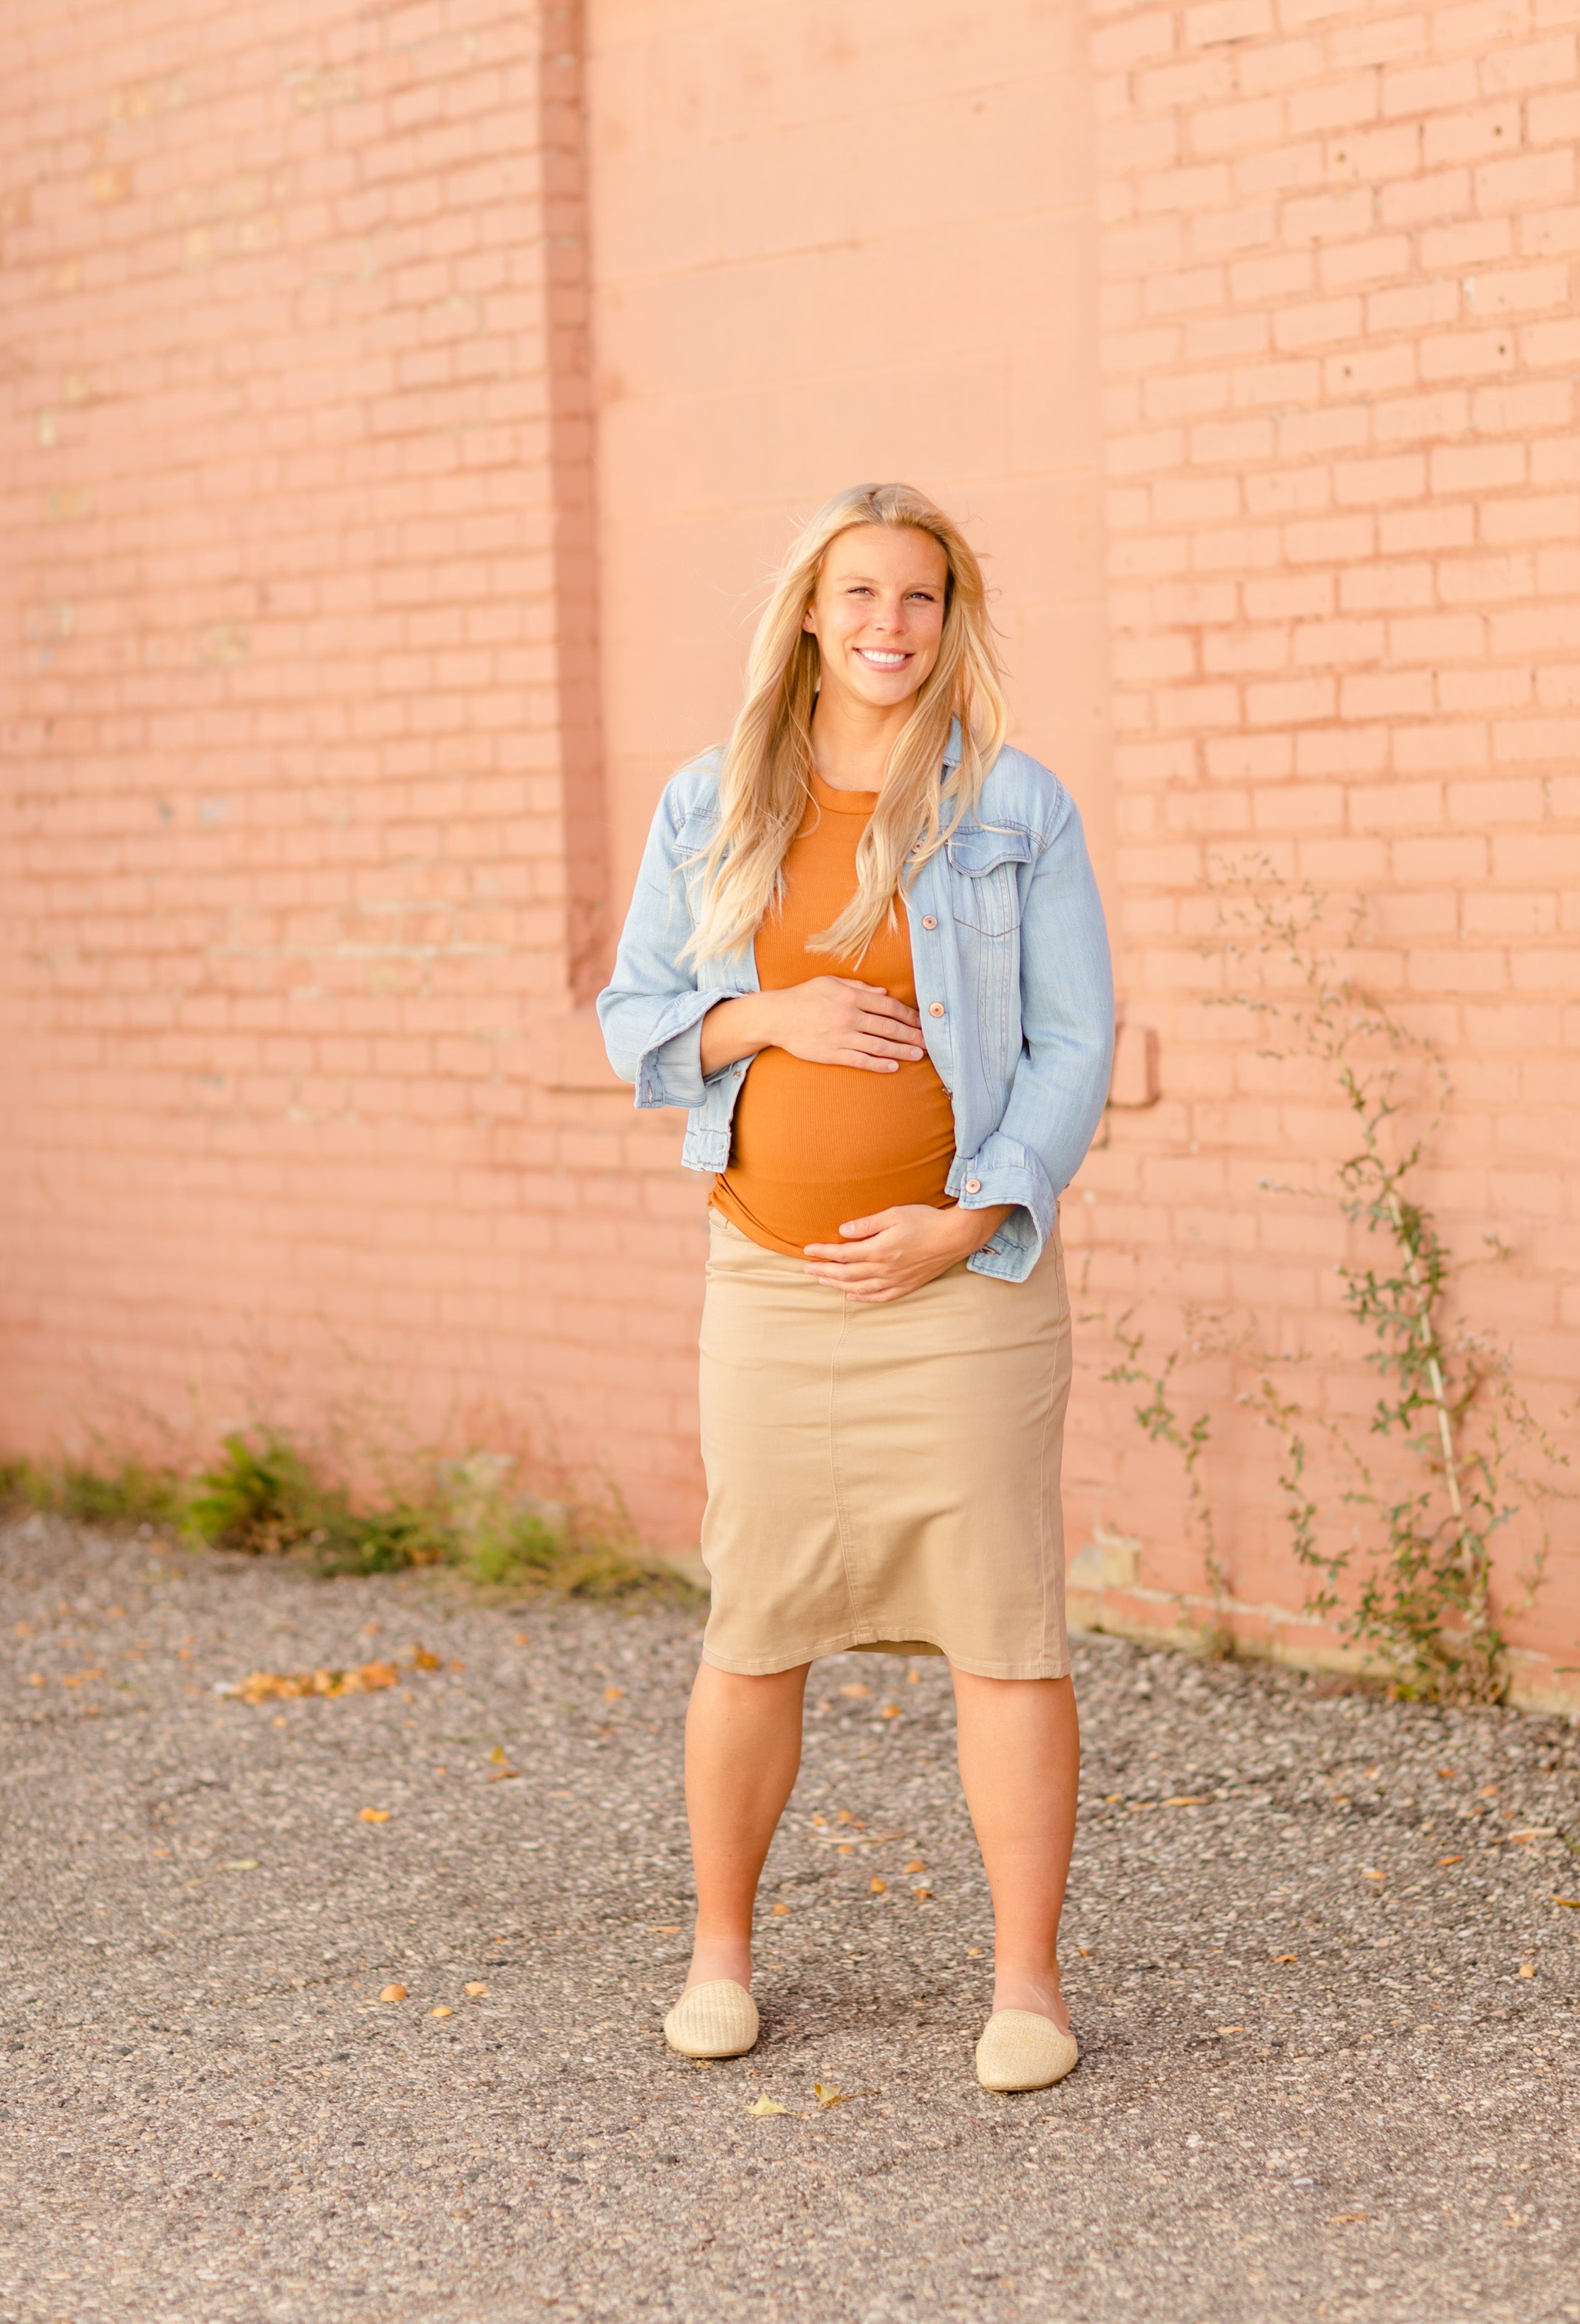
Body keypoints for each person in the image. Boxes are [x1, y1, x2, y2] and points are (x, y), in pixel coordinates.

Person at [597, 481, 1114, 2092]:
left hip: (960, 1292)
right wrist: (770, 1019)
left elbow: (1070, 1041)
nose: (889, 625)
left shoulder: (1014, 806)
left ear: (951, 621)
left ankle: (1022, 1985)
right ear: (809, 614)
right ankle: (719, 1953)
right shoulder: (709, 804)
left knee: (1002, 1627)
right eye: (860, 594)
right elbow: (636, 1018)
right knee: (751, 1618)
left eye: (921, 597)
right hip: (767, 1281)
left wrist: (966, 1221)